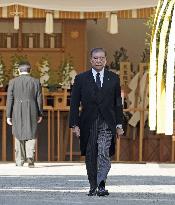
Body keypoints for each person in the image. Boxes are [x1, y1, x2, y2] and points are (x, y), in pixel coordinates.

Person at [69, 48, 124, 196]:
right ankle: (93, 184)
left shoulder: (113, 78)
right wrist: (74, 124)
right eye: (95, 58)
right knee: (91, 154)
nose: (98, 61)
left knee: (104, 152)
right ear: (90, 60)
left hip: (107, 122)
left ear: (106, 60)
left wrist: (119, 124)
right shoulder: (81, 78)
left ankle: (101, 184)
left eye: (101, 58)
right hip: (88, 122)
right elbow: (74, 103)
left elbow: (118, 103)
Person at [6, 61, 43, 168]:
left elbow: (10, 99)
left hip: (17, 108)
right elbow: (39, 99)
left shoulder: (13, 82)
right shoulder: (35, 81)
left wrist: (8, 115)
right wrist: (40, 113)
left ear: (18, 70)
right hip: (32, 109)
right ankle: (30, 158)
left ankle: (19, 160)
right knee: (31, 131)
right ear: (29, 70)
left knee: (18, 132)